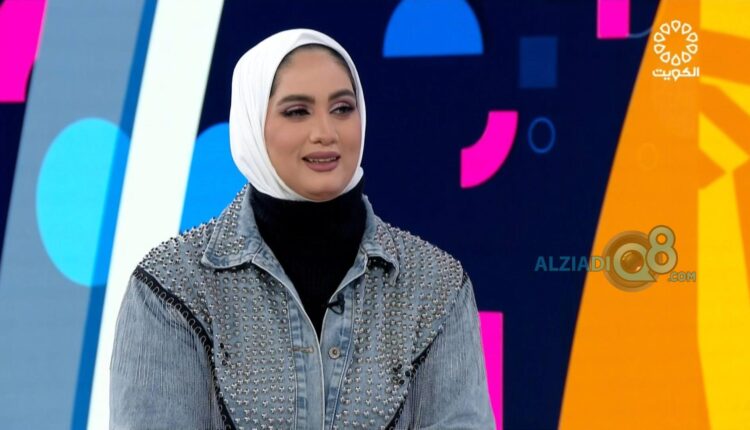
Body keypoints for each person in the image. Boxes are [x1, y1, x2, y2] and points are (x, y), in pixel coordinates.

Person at [110, 28, 495, 430]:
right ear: (252, 123)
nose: (325, 132)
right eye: (297, 111)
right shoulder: (171, 286)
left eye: (342, 108)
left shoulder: (435, 285)